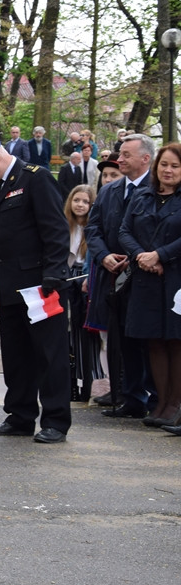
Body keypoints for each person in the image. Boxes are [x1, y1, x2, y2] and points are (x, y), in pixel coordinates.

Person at [0, 133, 72, 443]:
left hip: (42, 286)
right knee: (16, 356)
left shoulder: (36, 179)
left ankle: (55, 421)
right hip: (11, 286)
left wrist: (54, 273)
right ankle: (20, 415)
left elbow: (55, 229)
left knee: (49, 355)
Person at [84, 134, 155, 416]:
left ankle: (156, 397)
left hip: (146, 277)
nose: (119, 159)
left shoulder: (159, 189)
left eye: (126, 154)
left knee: (147, 339)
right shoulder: (110, 191)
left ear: (145, 158)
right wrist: (104, 256)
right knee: (120, 338)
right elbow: (94, 228)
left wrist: (136, 257)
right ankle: (131, 397)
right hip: (112, 277)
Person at [119, 143, 181, 429]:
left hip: (176, 280)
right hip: (146, 279)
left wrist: (161, 255)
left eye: (175, 166)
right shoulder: (143, 195)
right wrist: (142, 256)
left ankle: (174, 404)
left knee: (176, 342)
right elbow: (124, 231)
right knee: (154, 341)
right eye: (164, 165)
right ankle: (159, 403)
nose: (168, 170)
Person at [64, 184, 100, 402]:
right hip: (67, 279)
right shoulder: (63, 226)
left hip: (85, 280)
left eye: (85, 201)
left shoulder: (93, 227)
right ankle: (70, 385)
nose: (80, 205)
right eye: (76, 200)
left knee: (86, 336)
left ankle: (88, 384)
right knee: (69, 334)